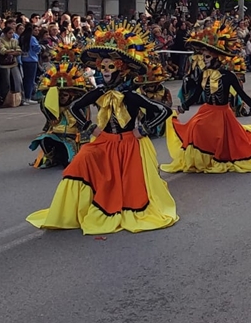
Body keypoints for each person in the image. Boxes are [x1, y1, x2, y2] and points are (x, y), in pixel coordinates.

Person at [27, 22, 177, 234]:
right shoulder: (98, 93)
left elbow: (163, 111)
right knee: (79, 163)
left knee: (128, 189)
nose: (105, 71)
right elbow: (74, 107)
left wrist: (143, 130)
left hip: (128, 146)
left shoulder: (131, 96)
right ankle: (73, 211)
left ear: (121, 68)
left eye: (110, 67)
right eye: (102, 67)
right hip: (104, 142)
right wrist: (90, 128)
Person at [164, 20, 251, 174]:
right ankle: (200, 159)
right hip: (206, 111)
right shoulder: (204, 73)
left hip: (222, 114)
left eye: (208, 57)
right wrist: (182, 107)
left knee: (221, 140)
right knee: (194, 127)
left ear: (217, 57)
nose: (205, 60)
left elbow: (241, 94)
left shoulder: (228, 75)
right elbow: (197, 93)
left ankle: (214, 158)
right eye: (204, 57)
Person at [29, 62, 90, 169]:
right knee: (43, 139)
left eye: (65, 95)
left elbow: (84, 124)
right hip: (56, 135)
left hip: (72, 137)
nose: (62, 98)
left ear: (71, 95)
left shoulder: (76, 107)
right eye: (59, 95)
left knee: (69, 163)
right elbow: (49, 119)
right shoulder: (52, 106)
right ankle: (52, 158)